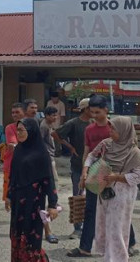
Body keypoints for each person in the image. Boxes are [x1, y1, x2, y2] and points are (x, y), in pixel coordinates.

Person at [69, 94, 138, 258]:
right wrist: (83, 174)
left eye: (98, 112)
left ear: (106, 110)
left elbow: (130, 148)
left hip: (114, 175)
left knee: (117, 209)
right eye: (92, 112)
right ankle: (85, 247)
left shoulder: (117, 127)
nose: (94, 115)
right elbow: (88, 151)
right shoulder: (89, 129)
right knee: (91, 209)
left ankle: (129, 242)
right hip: (96, 173)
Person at [81, 116, 140, 262]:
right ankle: (109, 255)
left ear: (124, 131)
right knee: (104, 223)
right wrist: (85, 170)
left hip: (123, 192)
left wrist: (117, 177)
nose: (110, 131)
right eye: (110, 128)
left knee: (117, 225)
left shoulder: (133, 152)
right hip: (104, 188)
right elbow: (92, 155)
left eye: (114, 129)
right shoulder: (106, 144)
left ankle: (119, 257)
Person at [5, 118, 60, 262]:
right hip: (18, 200)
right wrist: (9, 195)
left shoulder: (42, 154)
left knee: (31, 238)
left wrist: (53, 205)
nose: (19, 133)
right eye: (17, 130)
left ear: (31, 131)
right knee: (16, 234)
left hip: (34, 201)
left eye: (22, 130)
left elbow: (48, 181)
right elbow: (13, 174)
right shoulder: (18, 150)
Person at [56, 97, 91, 238]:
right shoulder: (73, 123)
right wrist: (70, 147)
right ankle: (78, 228)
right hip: (78, 165)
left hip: (95, 166)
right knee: (78, 197)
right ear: (85, 109)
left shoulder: (96, 123)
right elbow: (56, 134)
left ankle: (93, 228)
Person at [39, 106, 60, 244]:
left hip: (50, 158)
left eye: (55, 115)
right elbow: (40, 144)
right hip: (46, 160)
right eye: (52, 115)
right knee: (51, 189)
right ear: (47, 115)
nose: (55, 117)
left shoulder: (49, 126)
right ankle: (47, 229)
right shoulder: (44, 126)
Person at [3, 103, 26, 200]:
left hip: (27, 165)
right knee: (11, 197)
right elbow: (12, 144)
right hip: (11, 165)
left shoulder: (31, 126)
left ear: (24, 113)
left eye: (17, 112)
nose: (14, 115)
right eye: (13, 113)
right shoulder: (10, 128)